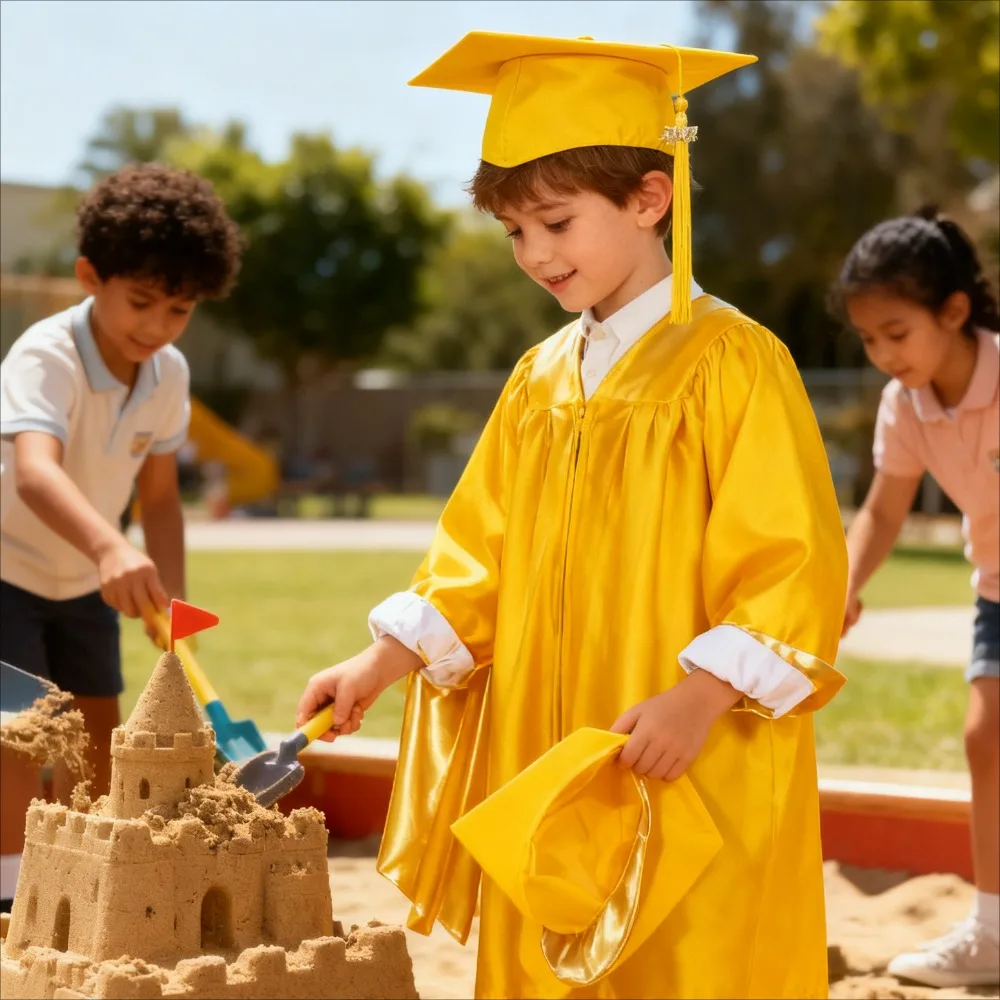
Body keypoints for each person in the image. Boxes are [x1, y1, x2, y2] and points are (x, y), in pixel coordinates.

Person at [298, 33, 848, 998]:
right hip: (546, 750)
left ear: (649, 198)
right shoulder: (540, 377)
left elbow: (789, 559)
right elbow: (482, 548)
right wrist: (383, 658)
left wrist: (703, 695)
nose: (535, 254)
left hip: (678, 735)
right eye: (514, 232)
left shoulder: (731, 360)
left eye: (556, 220)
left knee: (685, 950)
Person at [0, 163, 243, 912]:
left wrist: (170, 598)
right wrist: (111, 546)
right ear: (88, 277)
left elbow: (162, 497)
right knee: (22, 741)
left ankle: (88, 883)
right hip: (9, 571)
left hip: (84, 586)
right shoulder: (47, 357)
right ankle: (10, 895)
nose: (157, 326)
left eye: (178, 309)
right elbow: (36, 472)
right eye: (140, 302)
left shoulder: (166, 374)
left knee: (104, 740)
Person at [831, 208, 1000, 988]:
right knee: (983, 738)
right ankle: (993, 929)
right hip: (998, 589)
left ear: (954, 312)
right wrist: (843, 585)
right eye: (868, 339)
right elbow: (884, 510)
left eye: (896, 332)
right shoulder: (907, 407)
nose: (882, 354)